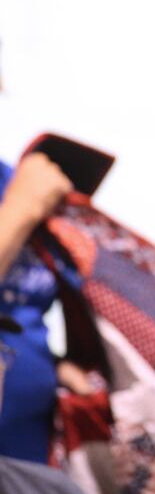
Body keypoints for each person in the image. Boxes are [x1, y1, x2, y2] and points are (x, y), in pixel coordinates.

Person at [0, 153, 90, 463]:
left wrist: (55, 366)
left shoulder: (18, 180)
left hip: (30, 452)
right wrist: (20, 209)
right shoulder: (26, 193)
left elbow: (22, 310)